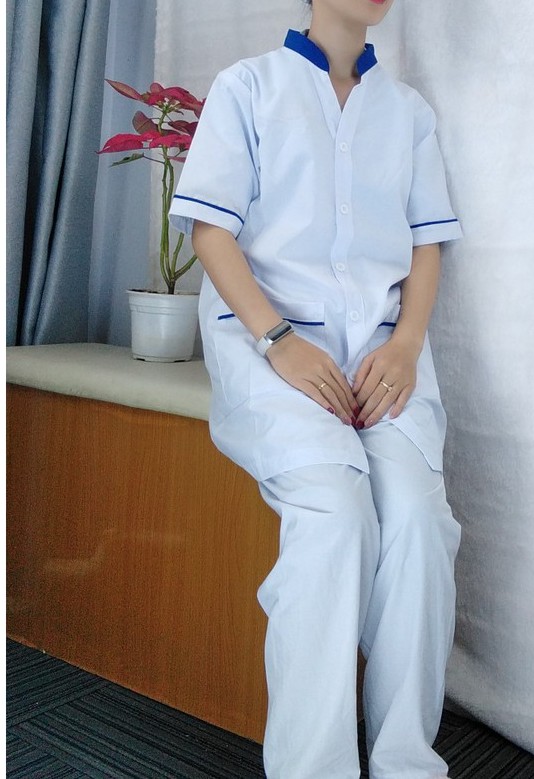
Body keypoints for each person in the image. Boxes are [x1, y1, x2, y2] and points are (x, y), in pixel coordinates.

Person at [168, 1, 462, 777]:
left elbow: (427, 242)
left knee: (419, 523)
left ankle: (405, 761)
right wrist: (279, 341)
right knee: (335, 514)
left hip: (381, 355)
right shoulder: (248, 87)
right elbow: (210, 230)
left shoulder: (406, 112)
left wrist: (405, 344)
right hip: (268, 346)